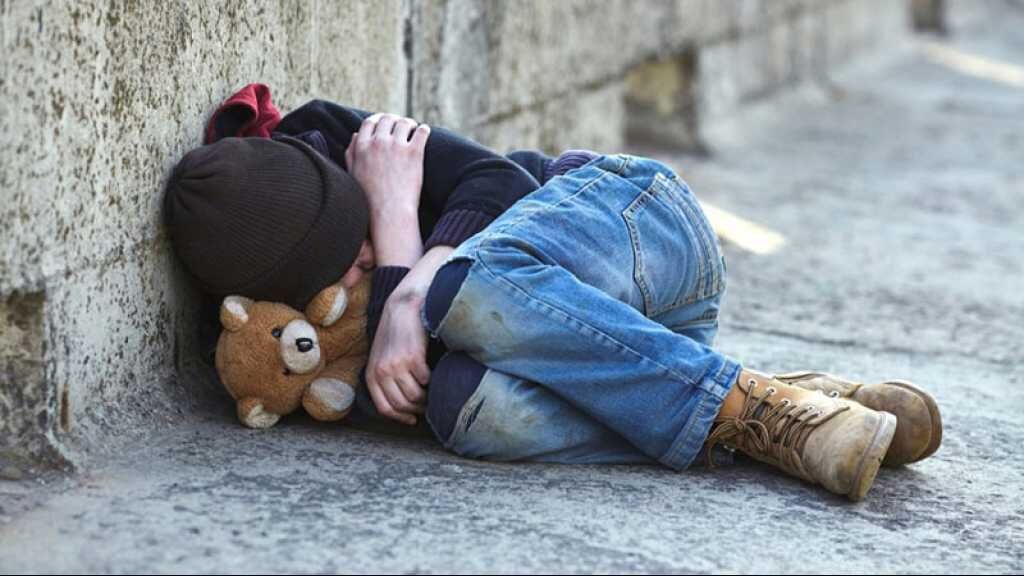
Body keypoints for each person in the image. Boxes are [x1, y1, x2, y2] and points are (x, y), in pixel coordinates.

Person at [165, 102, 942, 502]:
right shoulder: (279, 334)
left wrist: (404, 266)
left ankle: (757, 414)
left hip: (640, 231)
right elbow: (389, 389)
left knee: (462, 286)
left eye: (355, 228)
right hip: (624, 347)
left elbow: (499, 181)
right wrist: (395, 237)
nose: (365, 257)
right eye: (347, 266)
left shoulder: (346, 140)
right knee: (464, 409)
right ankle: (770, 408)